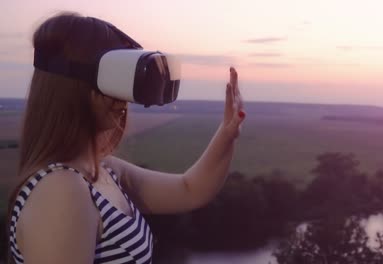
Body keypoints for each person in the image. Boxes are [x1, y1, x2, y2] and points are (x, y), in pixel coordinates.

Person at [6, 12, 245, 264]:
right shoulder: (60, 191)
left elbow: (190, 189)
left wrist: (227, 132)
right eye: (112, 81)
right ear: (72, 86)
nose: (123, 99)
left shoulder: (102, 170)